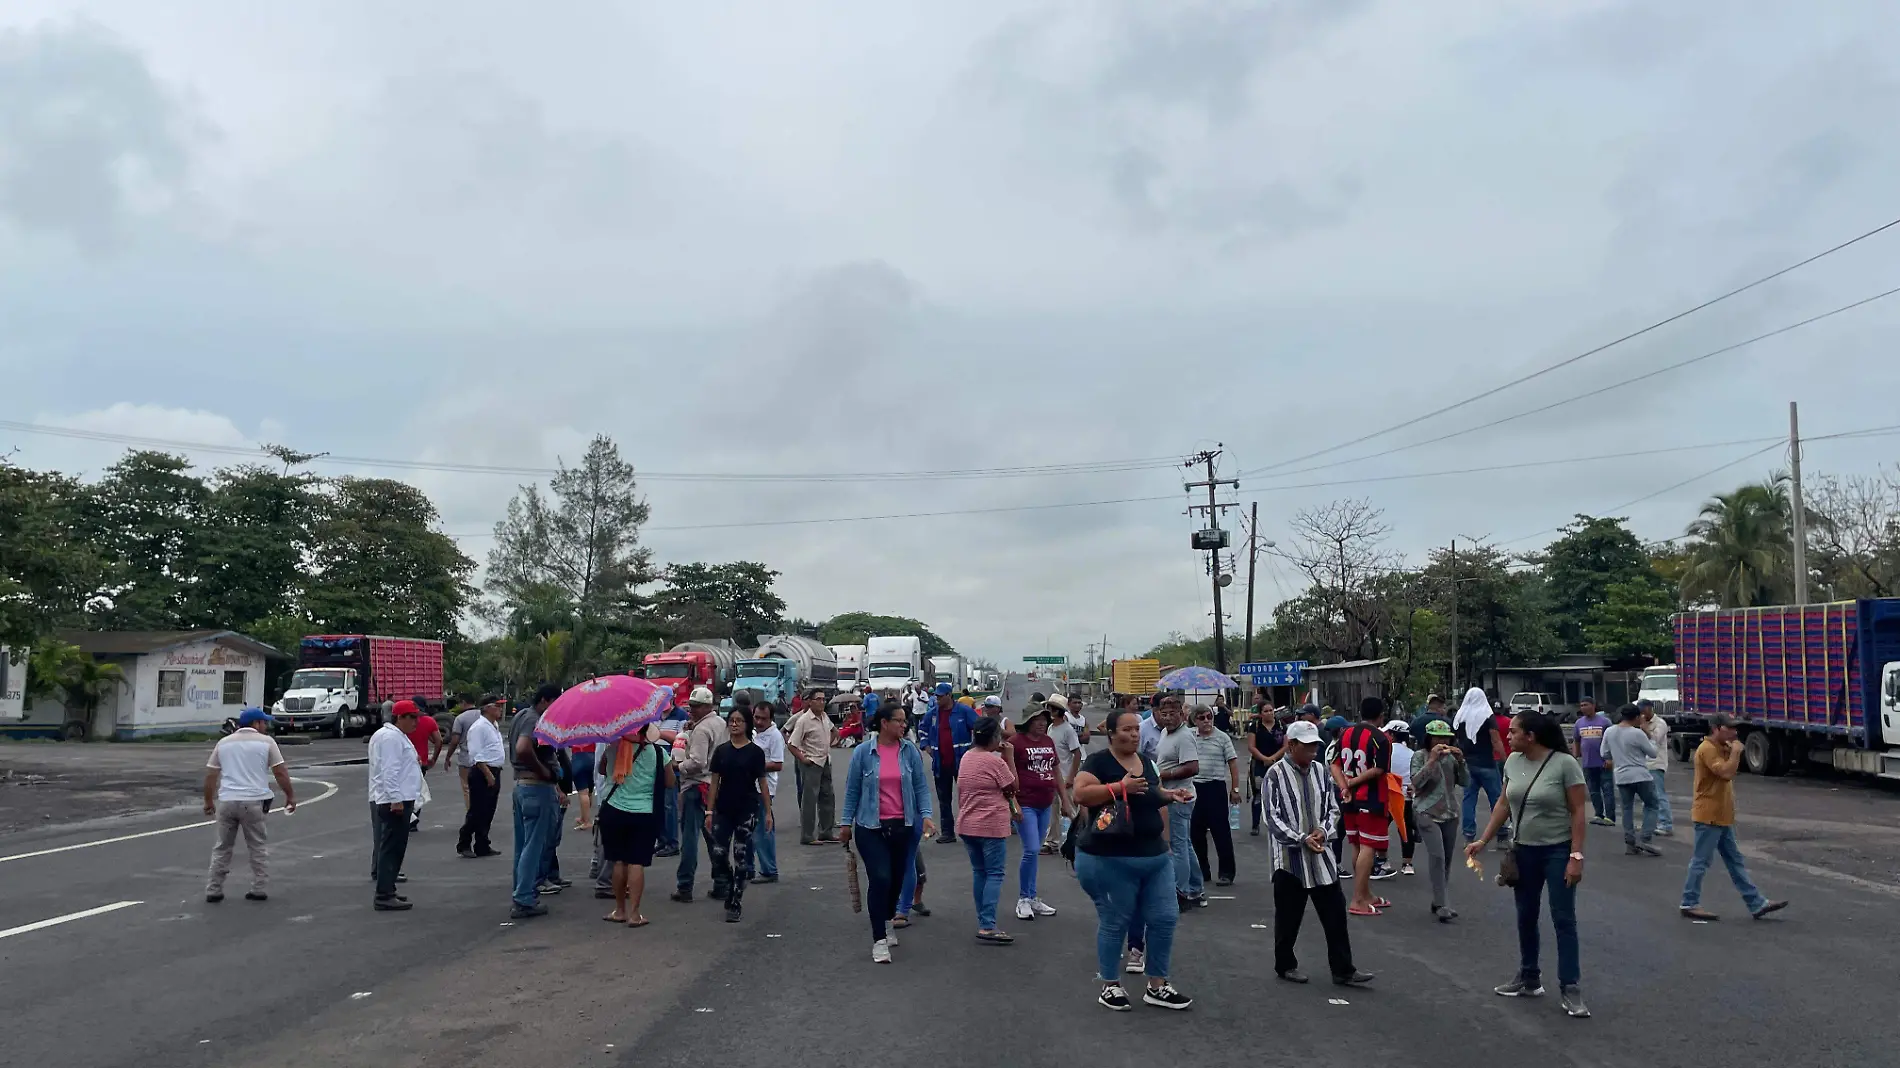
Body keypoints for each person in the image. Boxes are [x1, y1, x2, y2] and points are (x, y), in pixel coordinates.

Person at [1467, 710, 1591, 1018]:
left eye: (1513, 732)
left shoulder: (1565, 764)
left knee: (1563, 919)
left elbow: (1578, 811)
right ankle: (1529, 976)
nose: (1507, 737)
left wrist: (1576, 856)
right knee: (1526, 915)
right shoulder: (1512, 762)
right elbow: (1504, 803)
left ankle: (1570, 988)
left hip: (1558, 851)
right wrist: (1483, 839)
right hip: (1523, 850)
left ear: (1530, 736)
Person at [1072, 707, 1195, 1011]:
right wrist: (1118, 787)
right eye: (1126, 729)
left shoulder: (1147, 763)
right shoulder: (1098, 761)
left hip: (1153, 856)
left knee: (1165, 918)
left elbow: (1151, 797)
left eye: (1137, 729)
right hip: (1109, 858)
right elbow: (1081, 794)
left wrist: (1170, 796)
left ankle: (1157, 984)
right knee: (1116, 921)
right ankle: (1110, 985)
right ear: (1111, 733)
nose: (1133, 734)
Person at [1264, 719, 1374, 987]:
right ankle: (1285, 965)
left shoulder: (1320, 771)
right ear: (1291, 746)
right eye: (1307, 747)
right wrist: (1301, 839)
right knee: (1288, 918)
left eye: (1315, 747)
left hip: (1321, 857)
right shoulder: (1275, 774)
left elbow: (1332, 808)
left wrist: (1323, 832)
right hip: (1289, 860)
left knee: (1335, 916)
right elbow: (1271, 817)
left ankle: (1343, 969)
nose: (1313, 752)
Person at [838, 702, 936, 963]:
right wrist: (845, 824)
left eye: (905, 721)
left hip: (902, 825)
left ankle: (888, 918)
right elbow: (852, 791)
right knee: (880, 878)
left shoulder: (910, 752)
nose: (904, 725)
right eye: (900, 721)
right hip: (870, 827)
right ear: (884, 723)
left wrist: (926, 816)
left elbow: (920, 788)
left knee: (896, 879)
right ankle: (878, 939)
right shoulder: (863, 753)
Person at [1680, 714, 1789, 922]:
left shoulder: (1722, 747)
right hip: (1709, 815)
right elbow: (1726, 773)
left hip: (1722, 816)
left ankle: (1756, 903)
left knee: (1735, 861)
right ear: (1716, 728)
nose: (1734, 732)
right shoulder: (1707, 749)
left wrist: (1732, 749)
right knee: (1701, 861)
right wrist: (1737, 752)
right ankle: (1689, 902)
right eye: (1729, 728)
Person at [203, 708, 295, 903]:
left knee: (222, 847)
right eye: (264, 722)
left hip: (227, 801)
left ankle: (214, 889)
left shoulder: (224, 743)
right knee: (257, 846)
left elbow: (211, 774)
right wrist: (290, 795)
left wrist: (208, 801)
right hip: (253, 801)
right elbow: (280, 772)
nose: (266, 726)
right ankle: (259, 887)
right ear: (256, 724)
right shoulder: (267, 742)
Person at [596, 724, 674, 926]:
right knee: (637, 862)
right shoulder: (658, 753)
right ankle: (635, 914)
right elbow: (670, 782)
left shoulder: (613, 747)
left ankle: (619, 910)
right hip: (643, 812)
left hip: (614, 810)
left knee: (618, 861)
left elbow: (602, 770)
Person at [705, 707, 770, 922]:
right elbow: (714, 783)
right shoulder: (721, 751)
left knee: (741, 856)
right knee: (718, 853)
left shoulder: (755, 753)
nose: (734, 724)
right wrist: (709, 810)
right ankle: (730, 884)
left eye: (739, 721)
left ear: (747, 724)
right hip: (723, 809)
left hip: (747, 809)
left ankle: (735, 902)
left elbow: (762, 783)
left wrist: (768, 812)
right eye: (731, 720)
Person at [958, 715, 1019, 943]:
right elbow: (1013, 787)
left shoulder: (967, 757)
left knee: (980, 872)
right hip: (990, 824)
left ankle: (983, 919)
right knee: (994, 873)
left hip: (967, 823)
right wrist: (1009, 756)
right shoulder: (995, 762)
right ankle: (987, 924)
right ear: (995, 737)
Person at [1333, 698, 1393, 916]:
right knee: (1368, 845)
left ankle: (1365, 894)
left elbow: (1334, 764)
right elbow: (1379, 770)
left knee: (1357, 844)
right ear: (1381, 715)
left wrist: (1344, 786)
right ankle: (1358, 899)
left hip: (1349, 799)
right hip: (1371, 798)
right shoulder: (1381, 738)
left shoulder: (1345, 734)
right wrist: (1352, 783)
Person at [369, 700, 424, 911]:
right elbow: (389, 771)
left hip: (398, 797)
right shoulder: (391, 738)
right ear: (399, 717)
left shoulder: (394, 736)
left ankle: (388, 889)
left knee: (395, 847)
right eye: (412, 717)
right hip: (394, 800)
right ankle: (384, 893)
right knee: (391, 848)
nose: (415, 722)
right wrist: (395, 798)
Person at [671, 687, 725, 902]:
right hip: (716, 785)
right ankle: (722, 883)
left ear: (707, 706)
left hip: (697, 786)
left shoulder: (702, 729)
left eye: (695, 707)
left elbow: (698, 762)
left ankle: (685, 886)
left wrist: (678, 766)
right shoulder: (720, 724)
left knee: (690, 840)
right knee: (715, 839)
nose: (691, 710)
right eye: (691, 706)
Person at [1410, 718, 1467, 921]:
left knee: (1447, 860)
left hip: (1450, 813)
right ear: (1428, 738)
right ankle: (1443, 905)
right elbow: (1416, 782)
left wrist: (1461, 761)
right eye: (1437, 737)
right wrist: (1432, 761)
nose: (1441, 741)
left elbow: (1465, 781)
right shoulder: (1419, 756)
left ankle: (1437, 899)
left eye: (1446, 738)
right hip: (1427, 812)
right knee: (1437, 857)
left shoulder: (1451, 759)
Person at [1010, 704, 1061, 921]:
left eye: (1045, 720)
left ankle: (1031, 897)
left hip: (1045, 802)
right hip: (1026, 803)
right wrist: (1014, 805)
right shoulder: (1015, 743)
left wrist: (1066, 802)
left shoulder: (1048, 742)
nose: (1042, 723)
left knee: (1036, 850)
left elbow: (1055, 770)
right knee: (1031, 849)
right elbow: (1007, 776)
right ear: (1028, 721)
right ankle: (1023, 898)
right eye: (1037, 719)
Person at [1152, 694, 1204, 908]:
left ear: (1182, 715)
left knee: (1178, 845)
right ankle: (1195, 888)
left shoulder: (1184, 736)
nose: (1167, 718)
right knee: (1185, 843)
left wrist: (1162, 775)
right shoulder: (1166, 733)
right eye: (1163, 714)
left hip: (1180, 797)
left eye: (1172, 714)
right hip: (1170, 795)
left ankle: (1181, 892)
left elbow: (1192, 767)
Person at [1187, 704, 1240, 886]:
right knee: (1196, 831)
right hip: (1195, 787)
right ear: (1194, 720)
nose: (1206, 721)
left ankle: (1227, 872)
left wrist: (1235, 789)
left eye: (1209, 717)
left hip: (1215, 787)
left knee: (1221, 832)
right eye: (1202, 718)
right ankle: (1202, 871)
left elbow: (1233, 764)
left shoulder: (1222, 737)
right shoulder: (1190, 736)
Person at [917, 682, 976, 843]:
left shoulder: (963, 711)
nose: (937, 699)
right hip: (941, 763)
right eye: (936, 696)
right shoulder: (933, 714)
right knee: (944, 800)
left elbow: (979, 728)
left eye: (940, 696)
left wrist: (973, 749)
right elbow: (922, 729)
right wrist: (926, 746)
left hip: (962, 763)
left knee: (966, 798)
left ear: (949, 696)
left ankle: (969, 831)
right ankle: (948, 833)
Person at [1602, 703, 1662, 856]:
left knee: (1627, 808)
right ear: (1636, 717)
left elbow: (1604, 753)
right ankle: (1645, 838)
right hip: (1641, 774)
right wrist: (1648, 734)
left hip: (1621, 775)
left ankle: (1630, 843)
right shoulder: (1637, 733)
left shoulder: (1610, 731)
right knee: (1652, 805)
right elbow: (1653, 753)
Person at [1454, 687, 1507, 843]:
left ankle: (1468, 835)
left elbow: (1455, 739)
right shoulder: (1487, 715)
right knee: (1497, 799)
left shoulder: (1460, 716)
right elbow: (1495, 740)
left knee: (1469, 799)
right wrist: (1505, 758)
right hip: (1487, 763)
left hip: (1467, 763)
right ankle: (1501, 833)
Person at [785, 688, 837, 845]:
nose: (822, 702)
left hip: (825, 760)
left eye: (823, 699)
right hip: (812, 762)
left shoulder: (824, 717)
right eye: (818, 699)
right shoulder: (803, 720)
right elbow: (792, 744)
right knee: (809, 799)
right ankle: (807, 835)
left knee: (828, 797)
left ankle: (826, 831)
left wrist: (829, 744)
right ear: (811, 702)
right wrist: (803, 758)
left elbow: (834, 732)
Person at [456, 695, 505, 859]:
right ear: (487, 708)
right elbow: (476, 754)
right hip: (483, 771)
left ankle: (482, 843)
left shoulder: (494, 725)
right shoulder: (479, 727)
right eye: (497, 706)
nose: (501, 709)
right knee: (477, 810)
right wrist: (488, 773)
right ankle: (464, 843)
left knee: (488, 810)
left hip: (494, 769)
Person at [746, 700, 785, 884]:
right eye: (756, 717)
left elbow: (778, 764)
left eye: (763, 719)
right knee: (747, 829)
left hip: (764, 789)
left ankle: (769, 870)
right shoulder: (752, 733)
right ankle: (747, 868)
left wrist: (752, 765)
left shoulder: (774, 736)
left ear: (771, 718)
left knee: (763, 829)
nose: (759, 722)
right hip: (747, 787)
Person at [1044, 695, 1085, 854]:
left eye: (1050, 709)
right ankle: (1052, 842)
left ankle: (1076, 840)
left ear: (1056, 711)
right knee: (1053, 811)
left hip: (1066, 776)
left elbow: (1077, 753)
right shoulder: (1051, 728)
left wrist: (1071, 777)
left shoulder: (1067, 730)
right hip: (1053, 776)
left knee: (1070, 811)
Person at [1570, 698, 1615, 826]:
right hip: (1588, 764)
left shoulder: (1605, 722)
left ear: (1593, 706)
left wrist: (1610, 758)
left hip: (1603, 763)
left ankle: (1610, 817)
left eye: (1586, 705)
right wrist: (1574, 757)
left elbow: (1611, 742)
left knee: (1607, 790)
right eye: (1581, 705)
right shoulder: (1579, 723)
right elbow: (1576, 741)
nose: (1583, 707)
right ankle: (1598, 814)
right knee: (1593, 791)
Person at [436, 695, 481, 810]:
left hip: (466, 759)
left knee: (467, 788)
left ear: (464, 702)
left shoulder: (461, 718)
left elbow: (455, 740)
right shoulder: (484, 716)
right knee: (482, 789)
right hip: (484, 759)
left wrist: (448, 757)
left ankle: (471, 815)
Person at [1383, 720, 1416, 876]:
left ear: (1392, 734)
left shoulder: (1386, 750)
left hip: (1387, 795)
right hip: (1406, 797)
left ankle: (1382, 860)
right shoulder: (1412, 754)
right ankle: (1407, 863)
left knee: (1381, 828)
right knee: (1406, 829)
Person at [1246, 708, 1285, 837]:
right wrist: (1265, 759)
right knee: (1258, 794)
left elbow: (1286, 745)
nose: (1269, 713)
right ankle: (1255, 825)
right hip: (1259, 765)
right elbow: (1251, 746)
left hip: (1278, 764)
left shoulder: (1281, 725)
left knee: (1280, 794)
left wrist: (1273, 758)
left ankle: (1280, 824)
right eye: (1266, 711)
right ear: (1261, 714)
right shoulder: (1255, 727)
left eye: (1271, 710)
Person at [404, 696, 441, 832]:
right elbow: (438, 741)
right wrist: (433, 759)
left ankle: (408, 818)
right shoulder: (429, 721)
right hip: (422, 762)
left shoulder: (405, 722)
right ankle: (413, 820)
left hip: (406, 761)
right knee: (417, 791)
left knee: (405, 791)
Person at [1640, 702, 1674, 836]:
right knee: (1647, 797)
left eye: (1643, 711)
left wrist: (1644, 728)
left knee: (1659, 795)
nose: (1642, 715)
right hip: (1643, 764)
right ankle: (1650, 823)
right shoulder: (1639, 723)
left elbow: (1655, 739)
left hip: (1656, 764)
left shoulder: (1660, 723)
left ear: (1649, 709)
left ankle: (1666, 824)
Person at [569, 741, 597, 832]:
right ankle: (584, 817)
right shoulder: (591, 727)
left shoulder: (572, 729)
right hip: (592, 756)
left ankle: (586, 821)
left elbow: (569, 744)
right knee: (589, 790)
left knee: (582, 792)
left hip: (578, 756)